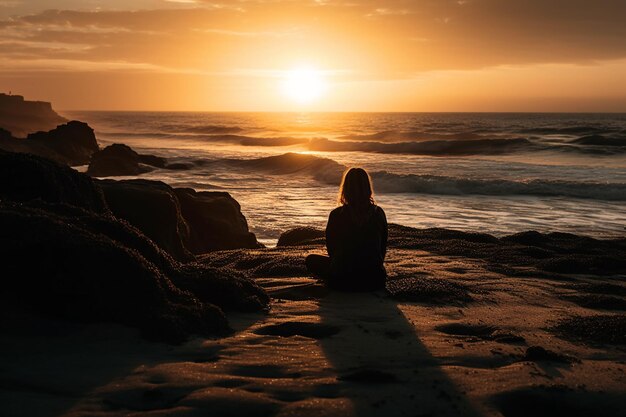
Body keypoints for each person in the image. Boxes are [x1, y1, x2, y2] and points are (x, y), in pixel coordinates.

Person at [306, 167, 388, 291]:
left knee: (311, 260)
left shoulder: (336, 215)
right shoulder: (379, 213)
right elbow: (382, 249)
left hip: (343, 279)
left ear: (345, 189)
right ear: (368, 188)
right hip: (374, 279)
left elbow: (331, 251)